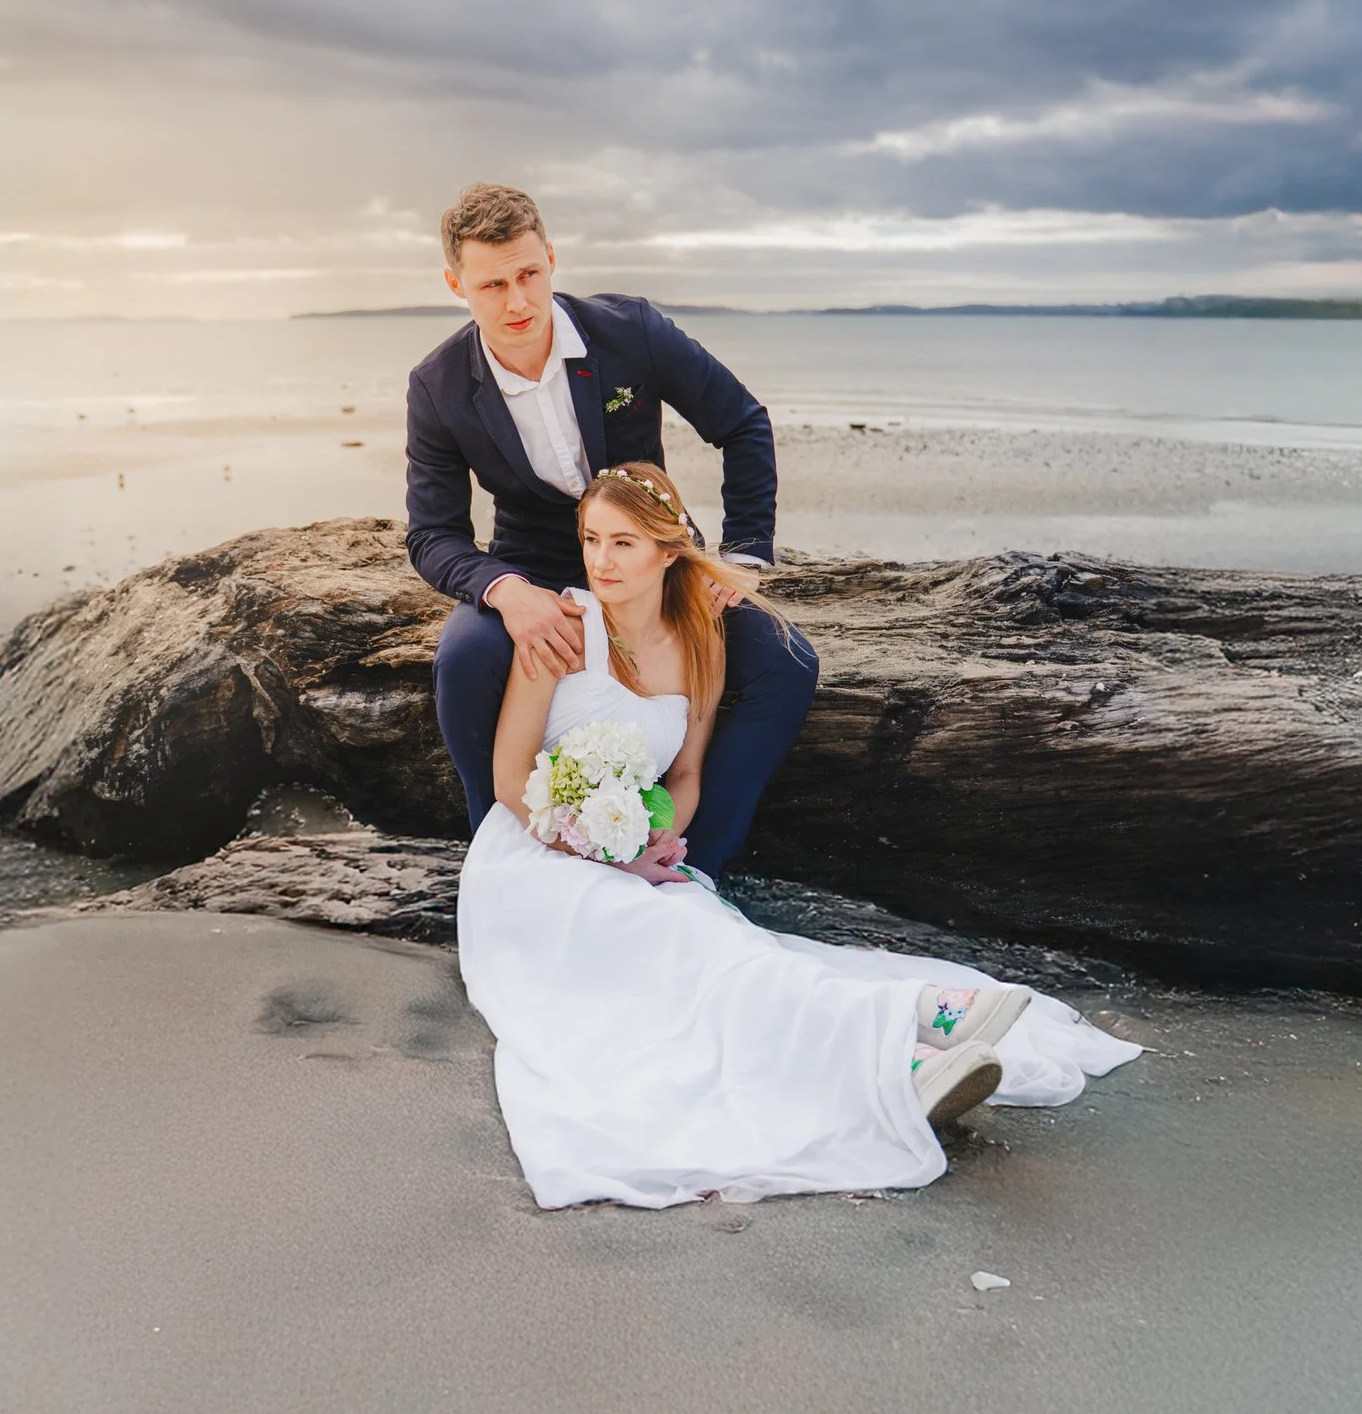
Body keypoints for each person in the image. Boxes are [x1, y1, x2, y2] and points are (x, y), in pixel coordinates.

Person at [458, 462, 1140, 1209]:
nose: (601, 559)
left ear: (668, 550)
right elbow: (509, 777)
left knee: (720, 947)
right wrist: (597, 847)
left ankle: (906, 1048)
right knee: (680, 948)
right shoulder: (562, 626)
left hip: (628, 863)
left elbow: (684, 777)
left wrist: (653, 838)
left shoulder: (697, 645)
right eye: (591, 539)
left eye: (623, 542)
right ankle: (906, 1035)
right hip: (532, 865)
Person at [404, 183, 816, 876]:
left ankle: (695, 865)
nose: (518, 302)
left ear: (552, 259)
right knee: (463, 661)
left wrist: (743, 557)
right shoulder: (438, 385)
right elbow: (433, 534)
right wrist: (504, 589)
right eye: (493, 284)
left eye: (530, 274)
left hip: (653, 555)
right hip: (532, 562)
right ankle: (502, 863)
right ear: (456, 284)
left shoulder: (632, 332)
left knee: (786, 661)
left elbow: (743, 424)